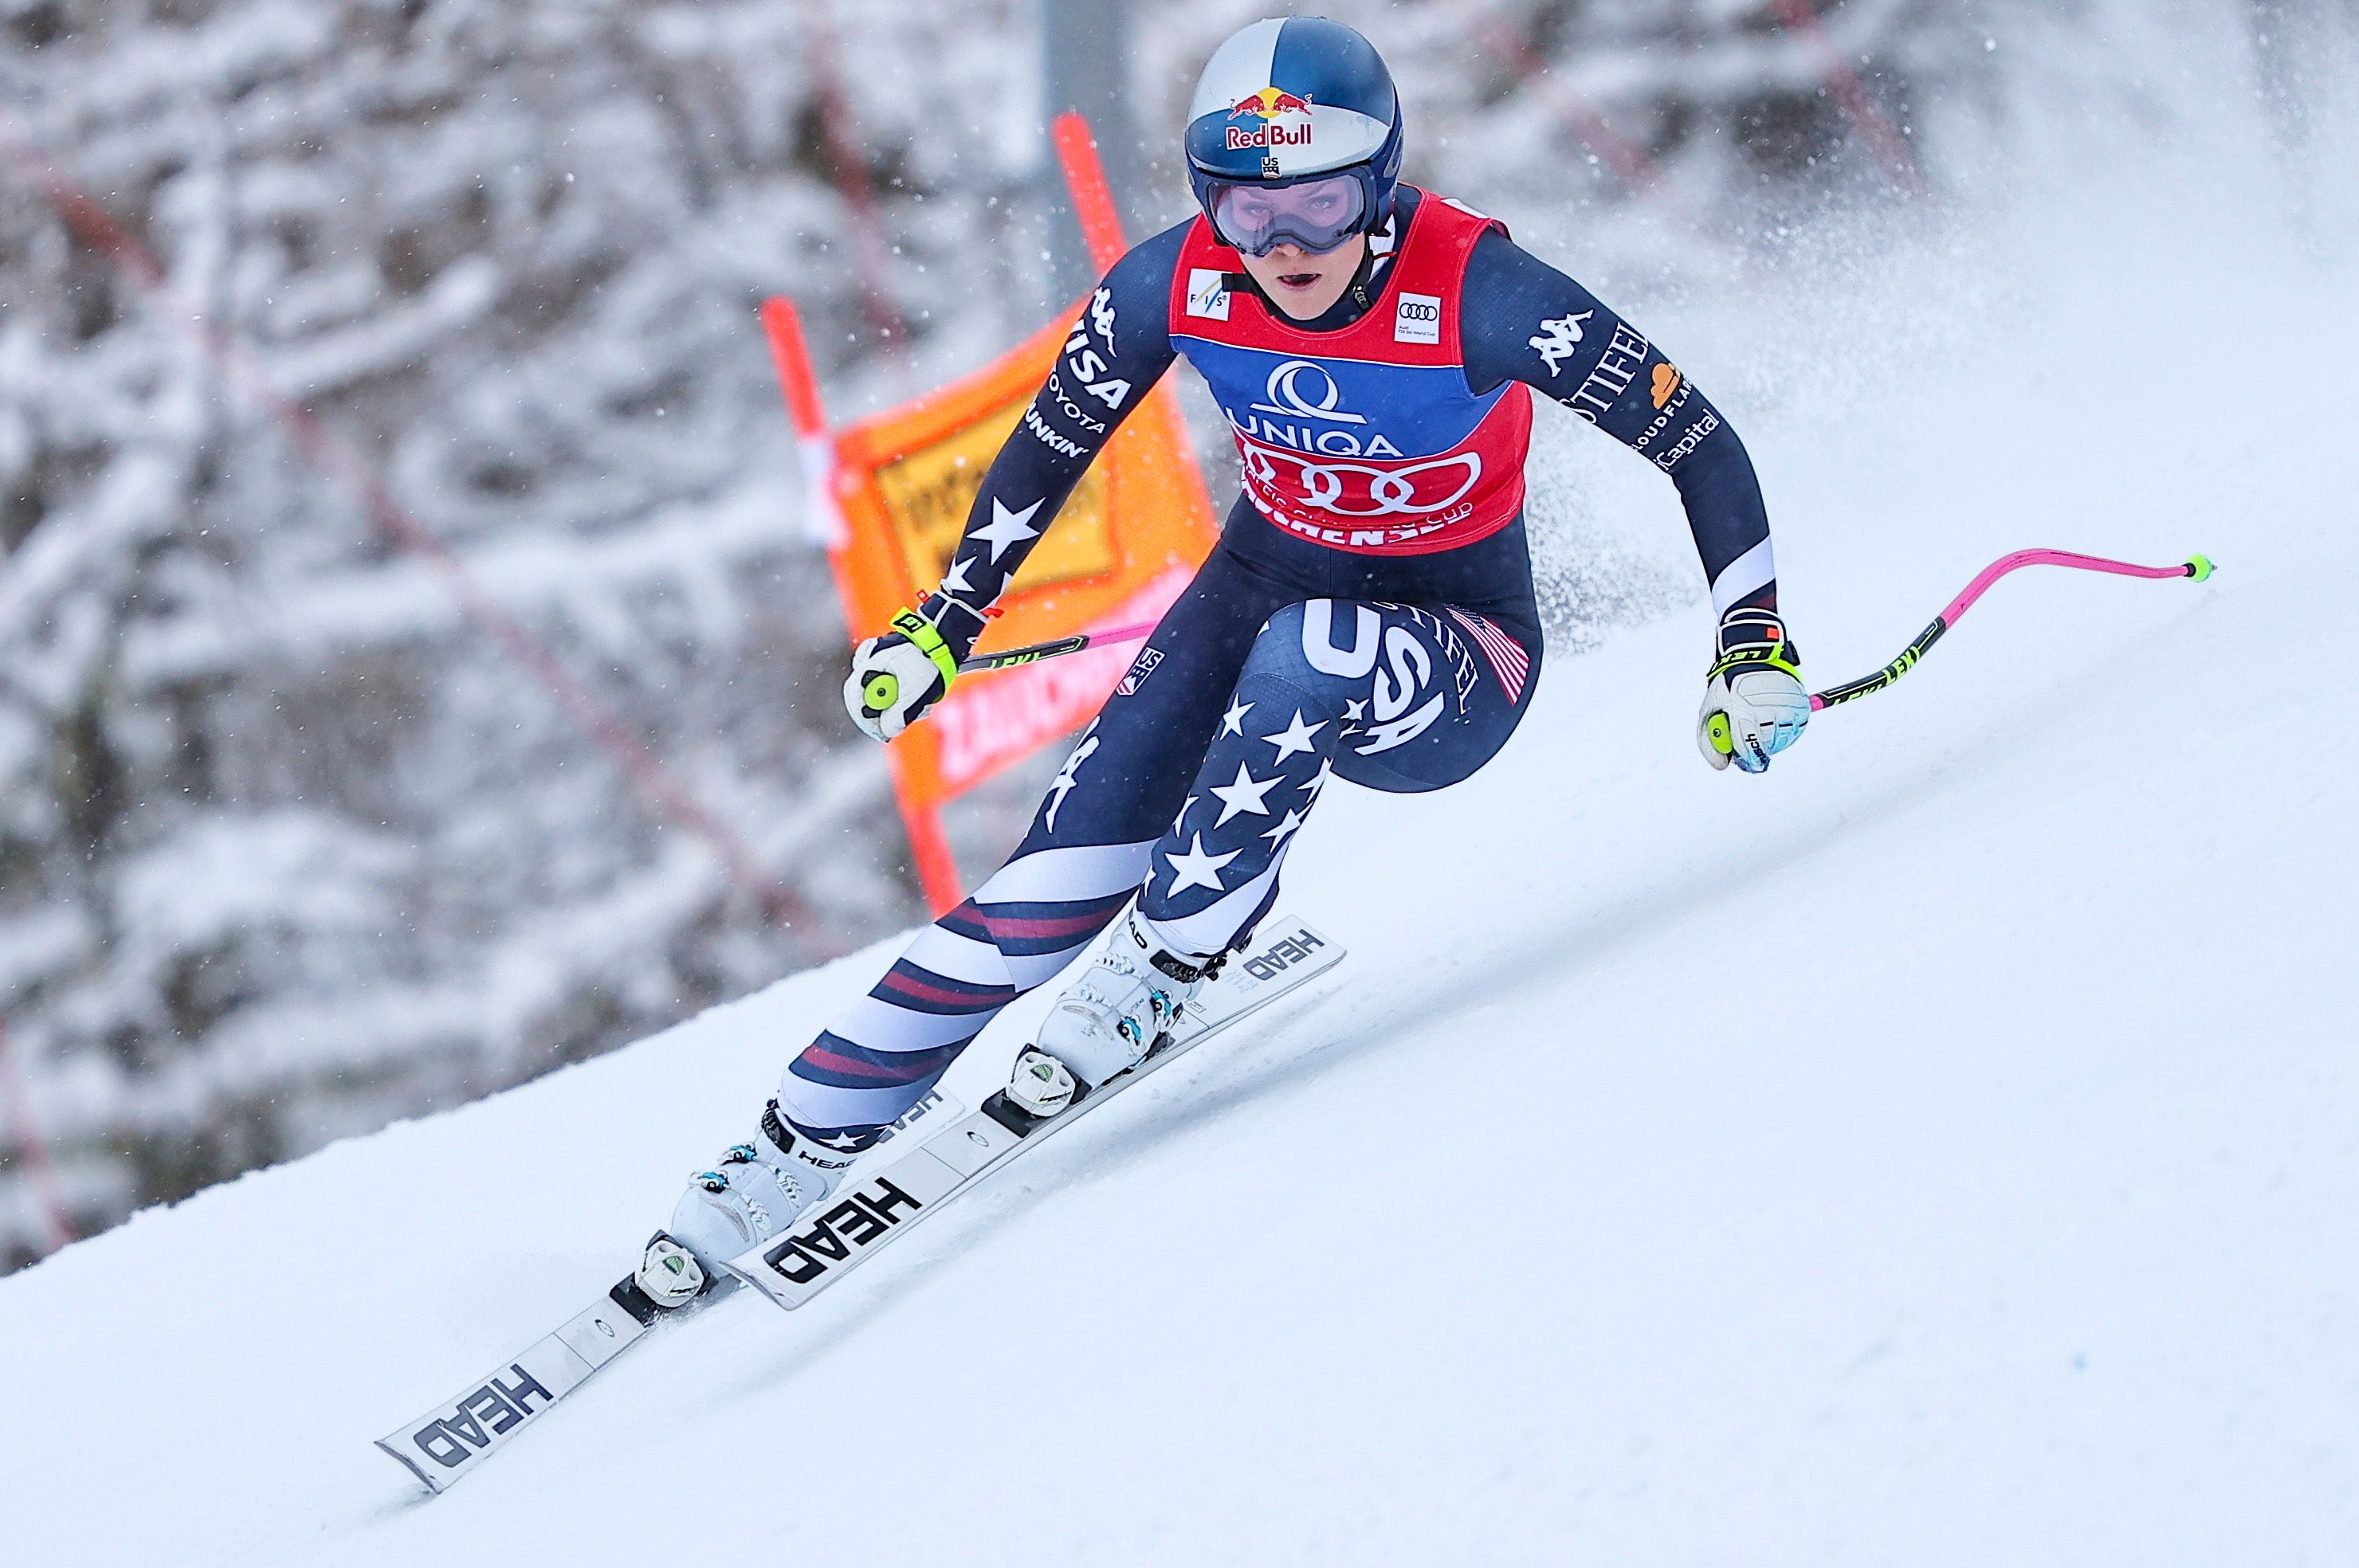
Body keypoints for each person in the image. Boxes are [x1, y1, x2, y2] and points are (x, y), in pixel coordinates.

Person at [632, 15, 1808, 1307]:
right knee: (1047, 885)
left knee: (1316, 652)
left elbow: (1692, 435)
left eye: (1321, 201)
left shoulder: (1476, 291)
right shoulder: (1174, 284)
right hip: (1258, 593)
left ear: (1384, 179)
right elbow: (1048, 448)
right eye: (1249, 212)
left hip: (1461, 651)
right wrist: (943, 623)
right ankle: (796, 1137)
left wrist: (1749, 642)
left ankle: (1176, 949)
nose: (1286, 247)